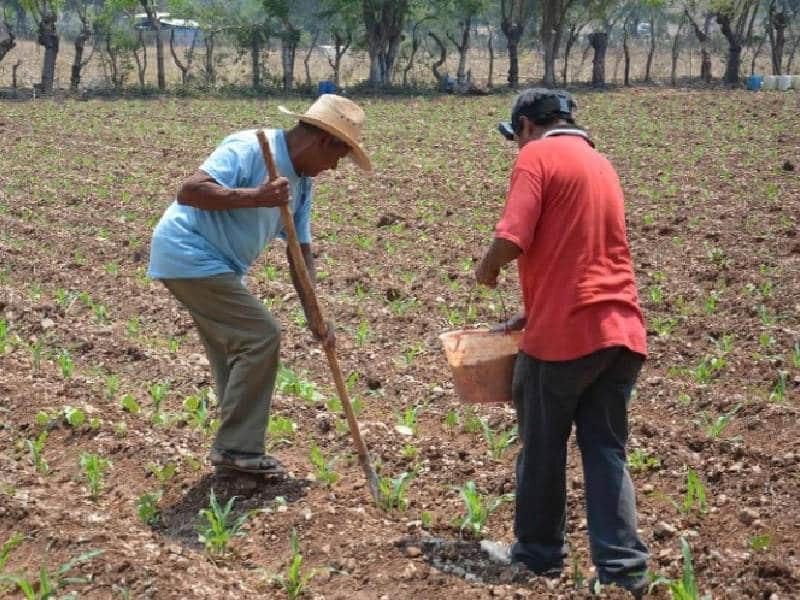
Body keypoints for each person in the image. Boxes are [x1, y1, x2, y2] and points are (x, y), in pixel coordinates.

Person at [475, 89, 649, 598]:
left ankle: (537, 555)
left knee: (542, 447)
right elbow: (586, 257)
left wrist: (486, 269)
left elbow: (512, 237)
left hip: (564, 340)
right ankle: (623, 571)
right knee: (605, 450)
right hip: (620, 331)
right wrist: (535, 308)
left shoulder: (537, 155)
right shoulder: (600, 163)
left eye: (516, 137)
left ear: (527, 125)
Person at [147, 94, 371, 476]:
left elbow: (300, 254)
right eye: (337, 156)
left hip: (214, 265)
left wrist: (316, 315)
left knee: (235, 349)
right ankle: (238, 448)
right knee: (261, 336)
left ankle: (234, 451)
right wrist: (256, 197)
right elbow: (190, 190)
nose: (334, 167)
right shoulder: (250, 147)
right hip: (189, 251)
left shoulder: (301, 184)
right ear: (323, 141)